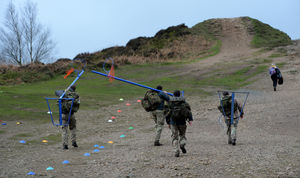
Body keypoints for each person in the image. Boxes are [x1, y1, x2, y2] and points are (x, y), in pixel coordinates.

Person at [167, 90, 193, 157]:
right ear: (180, 95)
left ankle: (176, 150)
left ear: (173, 95)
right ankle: (182, 144)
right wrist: (190, 119)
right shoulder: (184, 102)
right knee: (182, 135)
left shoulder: (170, 103)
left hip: (173, 122)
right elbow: (189, 112)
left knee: (174, 137)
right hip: (182, 122)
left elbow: (167, 113)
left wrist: (168, 122)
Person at [61, 85, 80, 150]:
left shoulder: (64, 94)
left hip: (64, 114)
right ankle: (74, 141)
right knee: (73, 128)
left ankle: (65, 144)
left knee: (64, 130)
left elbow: (56, 92)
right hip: (71, 114)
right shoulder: (76, 95)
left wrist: (65, 90)